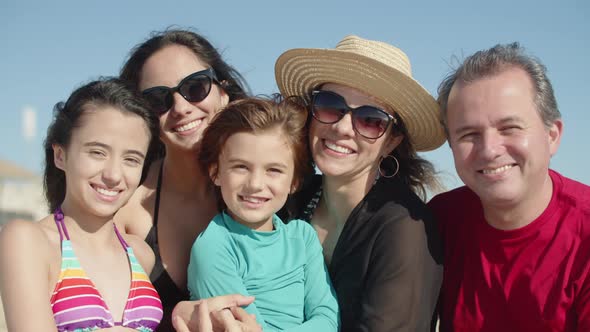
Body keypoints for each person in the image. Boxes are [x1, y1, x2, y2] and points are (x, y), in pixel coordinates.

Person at [274, 35, 445, 331]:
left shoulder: (405, 227)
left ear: (391, 141)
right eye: (330, 105)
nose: (341, 128)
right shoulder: (287, 201)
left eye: (370, 119)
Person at [430, 42, 590, 331]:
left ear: (552, 135)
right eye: (469, 134)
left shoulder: (584, 234)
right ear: (451, 145)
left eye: (509, 128)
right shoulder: (438, 222)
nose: (490, 149)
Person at [116, 29, 255, 331]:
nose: (180, 108)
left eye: (195, 87)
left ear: (224, 91)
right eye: (158, 99)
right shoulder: (124, 210)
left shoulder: (269, 191)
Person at [0, 78, 163, 331]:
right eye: (97, 152)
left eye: (131, 159)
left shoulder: (141, 253)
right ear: (60, 155)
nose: (113, 174)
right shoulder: (28, 240)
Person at [188, 96, 339, 331]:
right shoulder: (215, 246)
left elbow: (329, 318)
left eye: (274, 170)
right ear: (216, 172)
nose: (256, 184)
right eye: (241, 166)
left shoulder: (302, 237)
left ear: (294, 182)